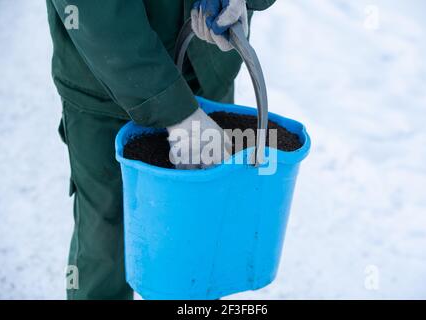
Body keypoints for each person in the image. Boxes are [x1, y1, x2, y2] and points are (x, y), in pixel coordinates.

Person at [46, 0, 275, 300]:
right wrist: (174, 109)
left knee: (198, 242)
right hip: (107, 83)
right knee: (109, 245)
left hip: (205, 67)